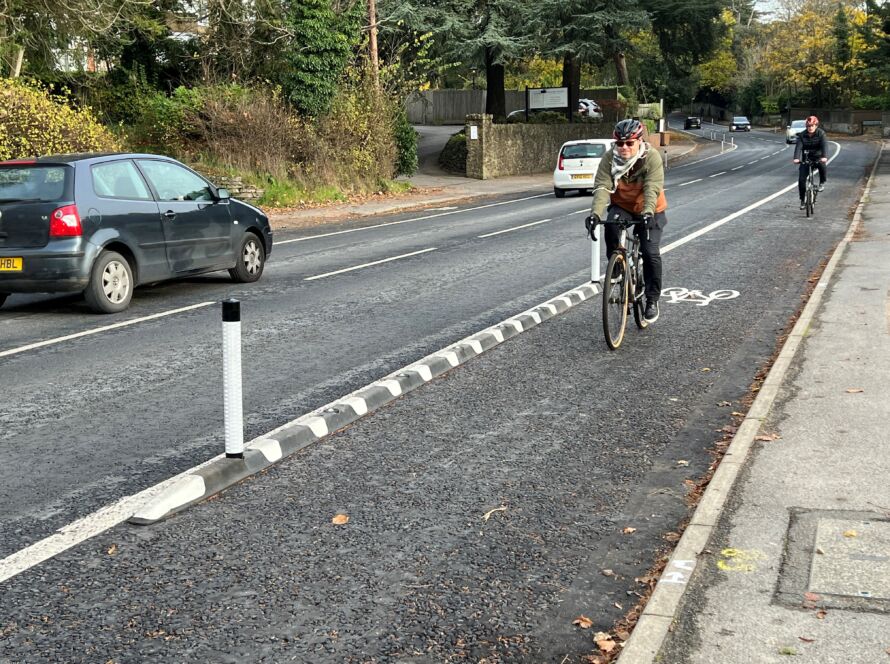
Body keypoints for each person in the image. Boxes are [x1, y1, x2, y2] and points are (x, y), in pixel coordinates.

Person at [584, 118, 667, 323]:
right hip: (622, 205)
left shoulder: (651, 157)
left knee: (650, 252)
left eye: (629, 143)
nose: (624, 147)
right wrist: (595, 213)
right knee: (611, 226)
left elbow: (652, 189)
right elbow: (603, 186)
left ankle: (652, 300)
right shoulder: (609, 159)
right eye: (619, 143)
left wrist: (647, 212)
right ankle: (618, 267)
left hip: (651, 208)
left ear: (639, 141)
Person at [793, 115, 828, 209]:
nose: (810, 128)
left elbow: (824, 146)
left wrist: (824, 156)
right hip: (806, 158)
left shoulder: (821, 134)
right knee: (801, 180)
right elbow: (798, 147)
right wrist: (796, 158)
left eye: (812, 125)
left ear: (816, 125)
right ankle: (802, 200)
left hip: (818, 157)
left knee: (822, 165)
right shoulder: (802, 135)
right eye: (808, 126)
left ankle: (822, 183)